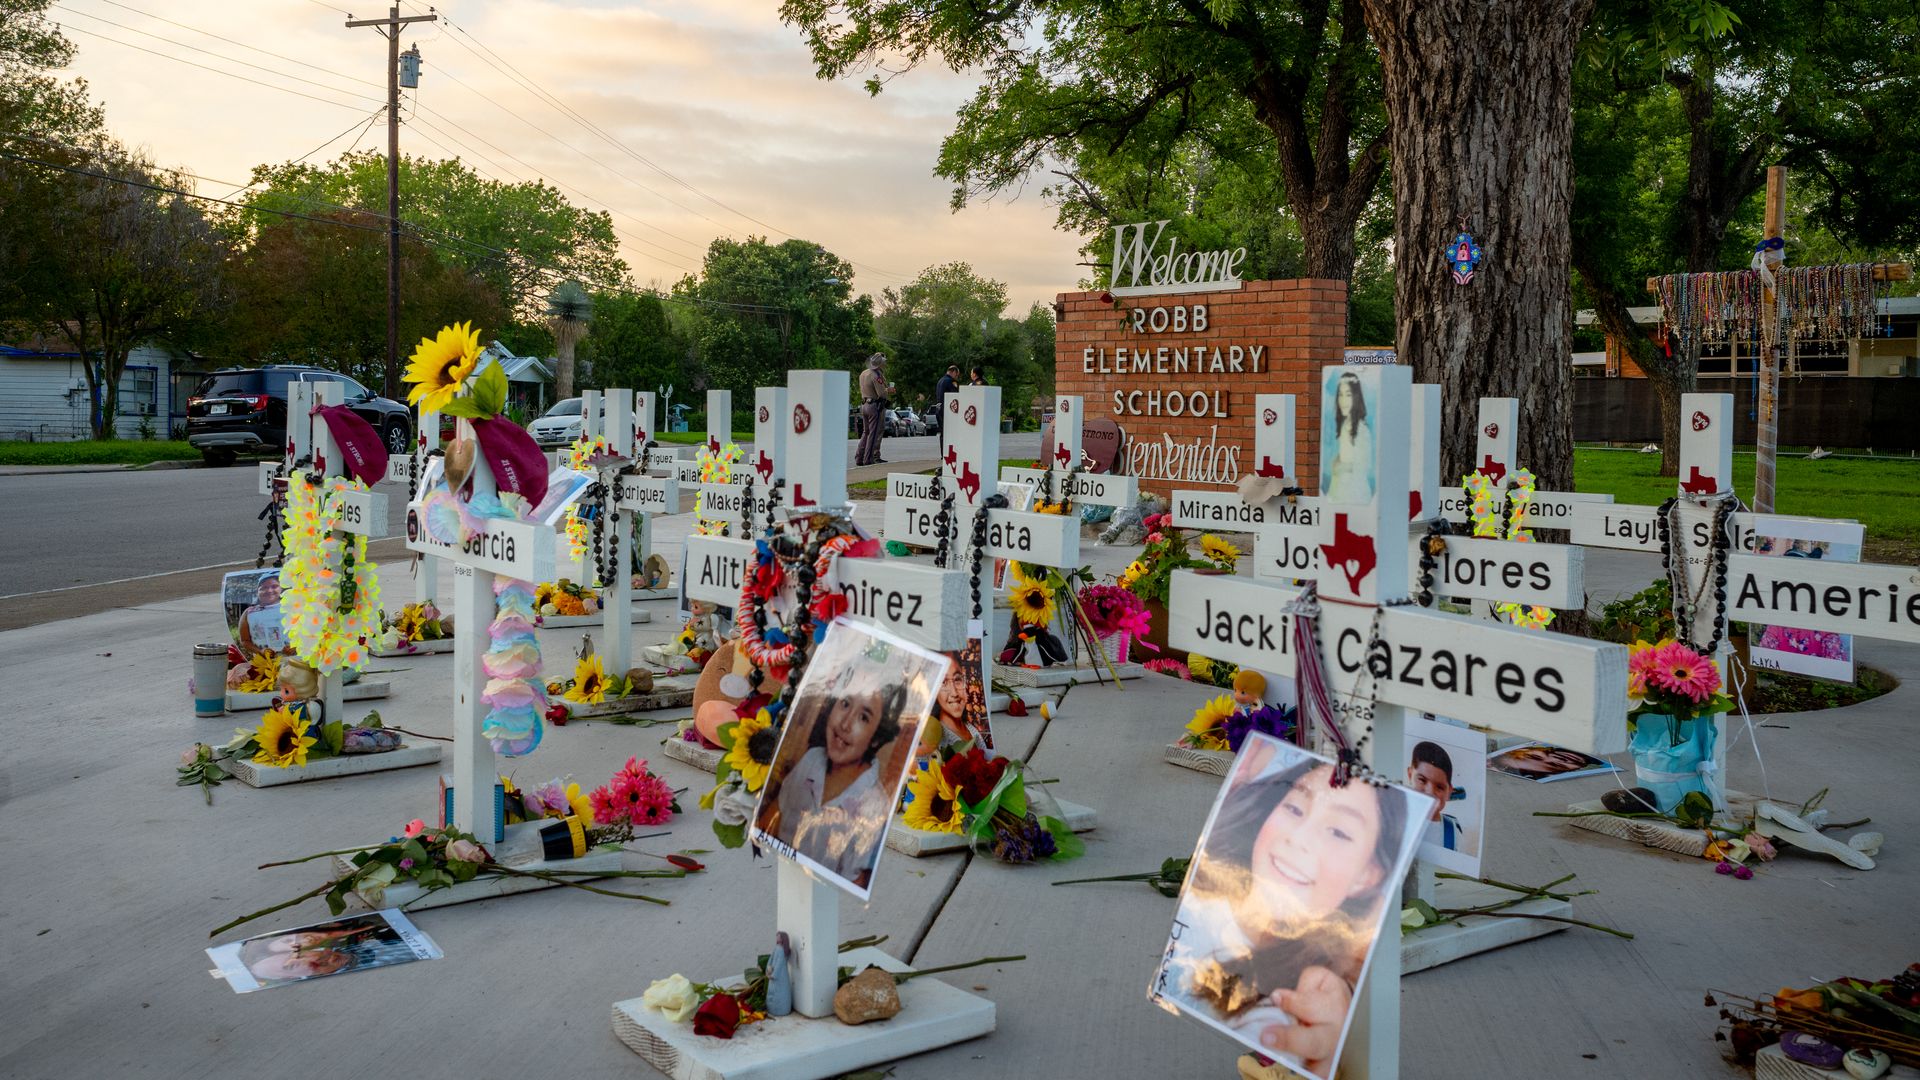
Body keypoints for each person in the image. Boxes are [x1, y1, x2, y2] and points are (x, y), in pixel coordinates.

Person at [1158, 752, 1415, 1079]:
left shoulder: (1299, 1004)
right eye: (1294, 808)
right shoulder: (1201, 905)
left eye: (1338, 832)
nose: (1299, 838)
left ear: (1368, 875)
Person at [770, 684, 907, 889]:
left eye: (863, 718)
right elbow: (774, 817)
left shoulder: (873, 804)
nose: (845, 724)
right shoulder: (812, 758)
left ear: (876, 738)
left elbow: (854, 884)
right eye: (845, 704)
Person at [1323, 372, 1374, 503]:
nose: (1343, 401)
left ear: (1356, 397)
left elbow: (1363, 465)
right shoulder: (1345, 424)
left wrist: (1340, 468)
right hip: (1340, 485)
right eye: (1340, 394)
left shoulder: (1361, 430)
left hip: (1353, 490)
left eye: (1348, 395)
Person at [1407, 741, 1464, 851]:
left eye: (1440, 787)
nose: (1430, 792)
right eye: (1422, 780)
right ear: (1410, 775)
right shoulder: (1392, 817)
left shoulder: (1453, 833)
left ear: (1449, 792)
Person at [856, 353, 894, 467]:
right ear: (879, 364)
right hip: (874, 406)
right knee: (873, 433)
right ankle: (868, 459)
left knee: (865, 432)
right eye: (884, 363)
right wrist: (888, 390)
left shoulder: (863, 373)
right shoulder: (876, 375)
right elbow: (881, 393)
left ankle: (859, 457)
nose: (885, 364)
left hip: (864, 404)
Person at [933, 364, 960, 437]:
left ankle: (943, 448)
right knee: (949, 433)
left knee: (943, 433)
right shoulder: (951, 381)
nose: (957, 377)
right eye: (957, 375)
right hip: (947, 411)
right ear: (954, 372)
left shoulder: (940, 380)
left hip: (938, 409)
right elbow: (956, 396)